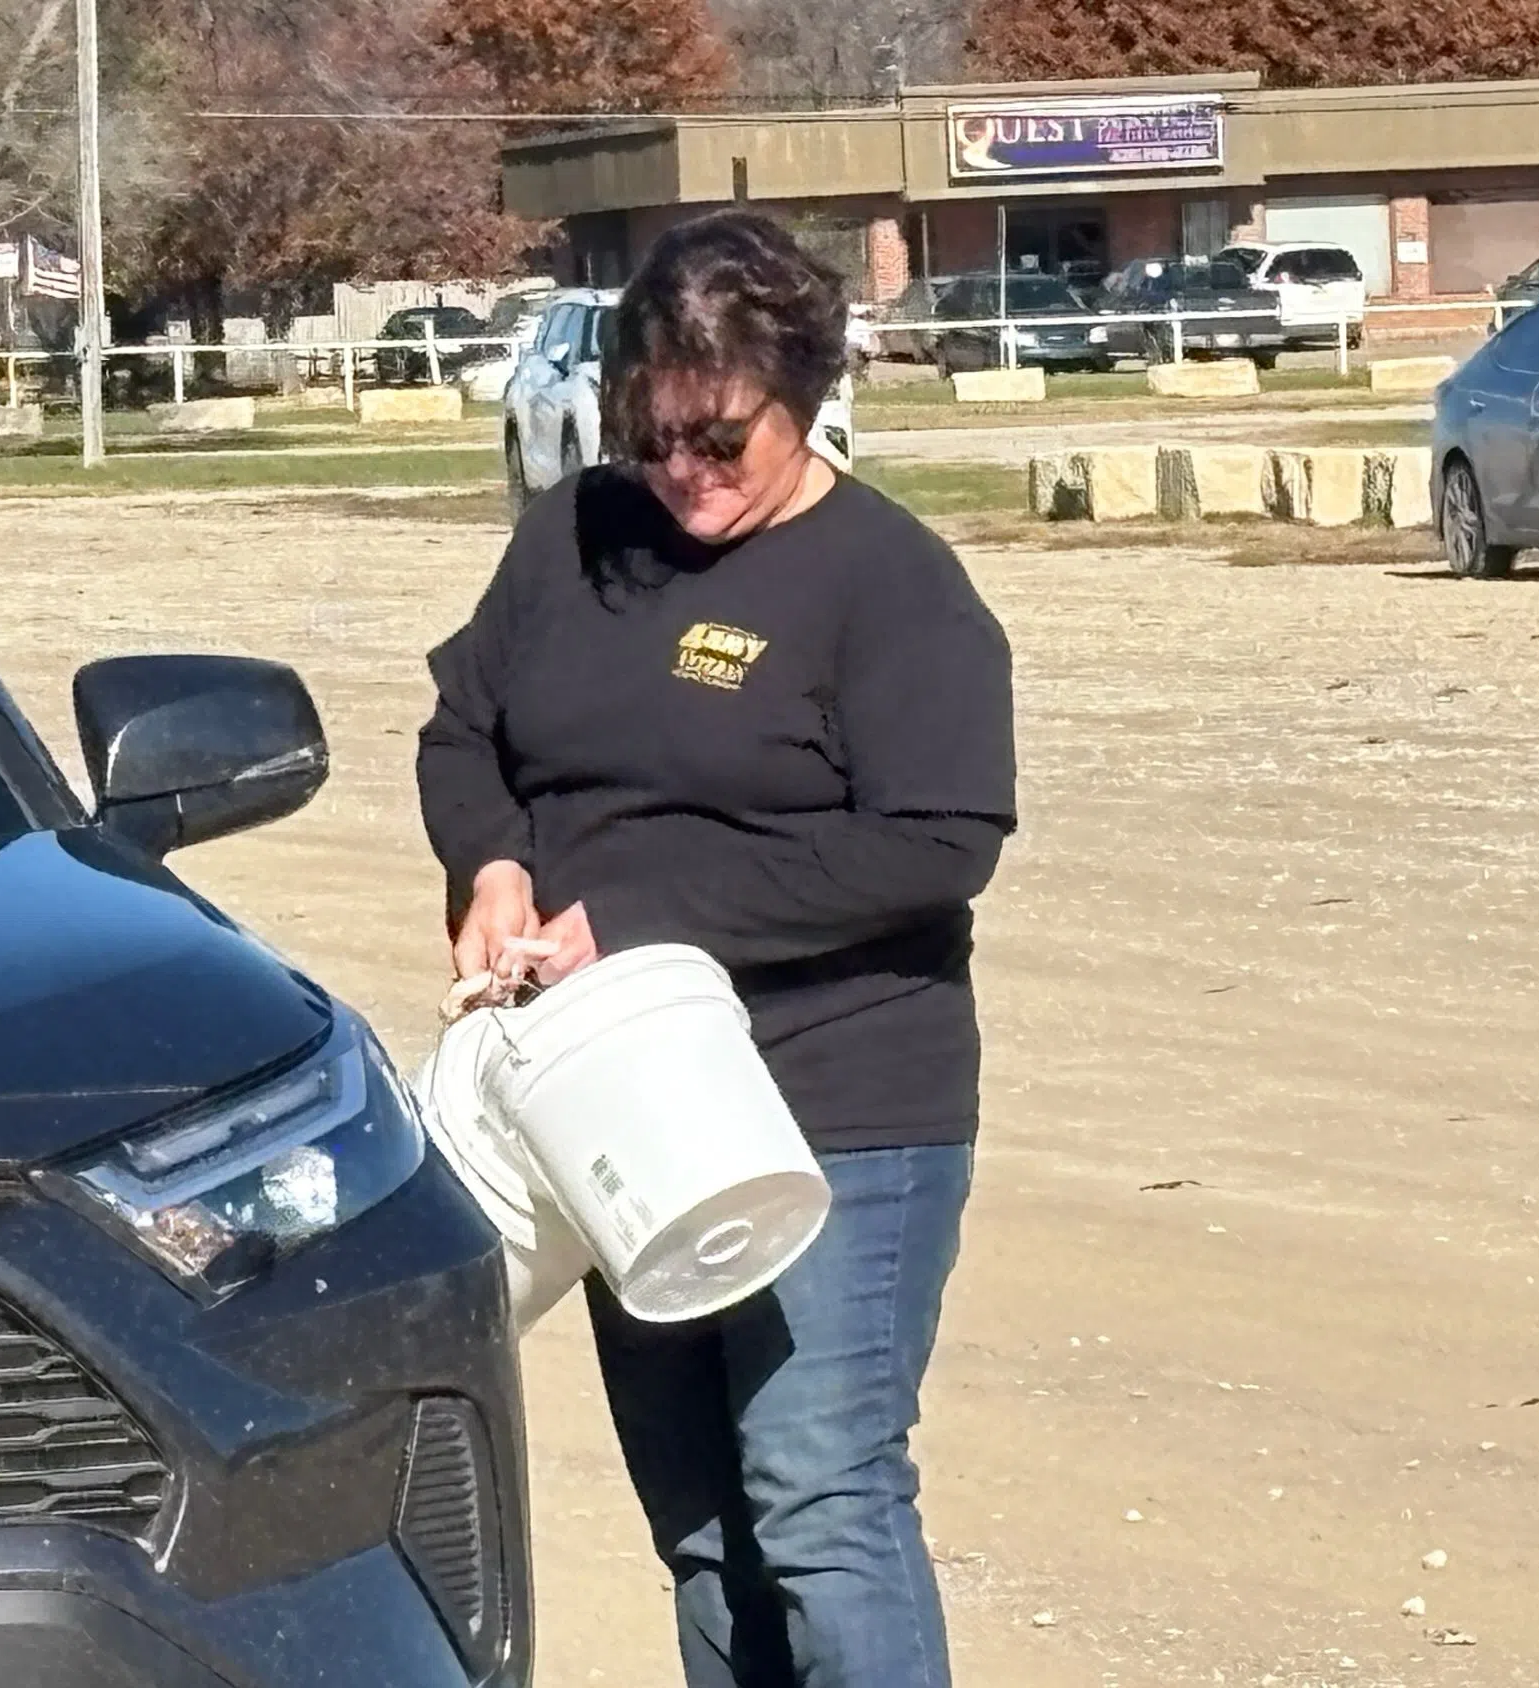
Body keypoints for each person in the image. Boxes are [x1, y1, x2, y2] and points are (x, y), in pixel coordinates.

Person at [415, 210, 1015, 1688]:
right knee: (701, 1523)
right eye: (652, 431)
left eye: (719, 441)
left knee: (819, 1504)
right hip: (612, 1107)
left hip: (835, 1103)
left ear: (803, 398)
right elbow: (463, 726)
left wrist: (640, 915)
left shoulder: (890, 584)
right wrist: (489, 860)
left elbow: (942, 837)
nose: (681, 472)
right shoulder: (576, 536)